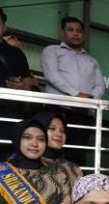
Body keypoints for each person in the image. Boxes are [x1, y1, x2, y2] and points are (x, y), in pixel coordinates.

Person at [41, 17, 104, 162]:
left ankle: (74, 184)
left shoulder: (91, 60)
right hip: (56, 110)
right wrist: (77, 95)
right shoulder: (52, 51)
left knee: (76, 156)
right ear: (62, 32)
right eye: (71, 30)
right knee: (50, 152)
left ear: (84, 35)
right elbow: (51, 75)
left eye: (79, 31)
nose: (75, 34)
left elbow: (100, 85)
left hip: (83, 114)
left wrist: (90, 99)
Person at [0, 5, 38, 157]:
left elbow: (28, 82)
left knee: (6, 160)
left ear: (4, 27)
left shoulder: (15, 53)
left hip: (9, 116)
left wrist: (21, 86)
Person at [34, 111, 83, 200]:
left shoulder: (74, 168)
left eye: (62, 131)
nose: (59, 134)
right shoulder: (26, 164)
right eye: (52, 128)